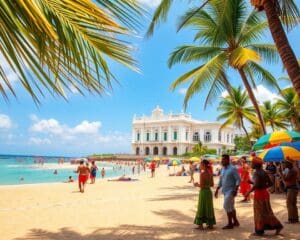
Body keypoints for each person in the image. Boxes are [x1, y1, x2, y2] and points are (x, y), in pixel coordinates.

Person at [244, 157, 283, 236]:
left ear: (256, 164)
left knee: (259, 213)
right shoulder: (263, 172)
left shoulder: (256, 172)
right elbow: (269, 183)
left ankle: (259, 230)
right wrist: (256, 184)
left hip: (259, 194)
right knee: (267, 212)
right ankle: (277, 226)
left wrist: (248, 191)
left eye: (252, 163)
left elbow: (257, 185)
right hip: (265, 193)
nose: (251, 164)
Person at [215, 154, 240, 229]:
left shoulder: (233, 169)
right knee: (231, 206)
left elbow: (238, 179)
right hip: (225, 190)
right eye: (221, 160)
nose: (222, 161)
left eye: (223, 160)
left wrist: (235, 189)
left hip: (231, 190)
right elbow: (221, 180)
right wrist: (217, 189)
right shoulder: (222, 169)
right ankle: (235, 221)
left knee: (226, 206)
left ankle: (230, 224)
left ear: (227, 160)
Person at [194, 159, 216, 230]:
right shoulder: (210, 173)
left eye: (200, 164)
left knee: (201, 207)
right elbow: (212, 184)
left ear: (203, 165)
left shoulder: (202, 174)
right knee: (209, 207)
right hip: (209, 192)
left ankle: (200, 225)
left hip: (203, 192)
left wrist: (197, 184)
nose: (200, 166)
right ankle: (210, 224)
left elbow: (202, 186)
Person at [282, 159, 299, 224]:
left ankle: (291, 219)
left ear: (289, 164)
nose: (284, 164)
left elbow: (286, 179)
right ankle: (295, 218)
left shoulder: (292, 171)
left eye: (286, 163)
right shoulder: (292, 170)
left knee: (290, 204)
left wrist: (281, 173)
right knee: (292, 204)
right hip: (292, 188)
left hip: (292, 188)